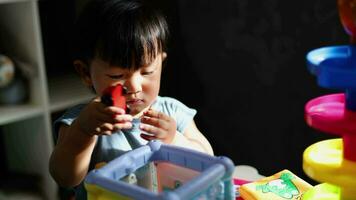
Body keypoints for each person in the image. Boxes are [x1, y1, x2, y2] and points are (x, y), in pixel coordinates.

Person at [49, 0, 214, 199]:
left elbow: (208, 161)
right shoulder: (83, 121)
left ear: (161, 62)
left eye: (147, 72)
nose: (134, 87)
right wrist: (83, 132)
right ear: (85, 72)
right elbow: (65, 178)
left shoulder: (173, 112)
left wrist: (174, 139)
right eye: (117, 76)